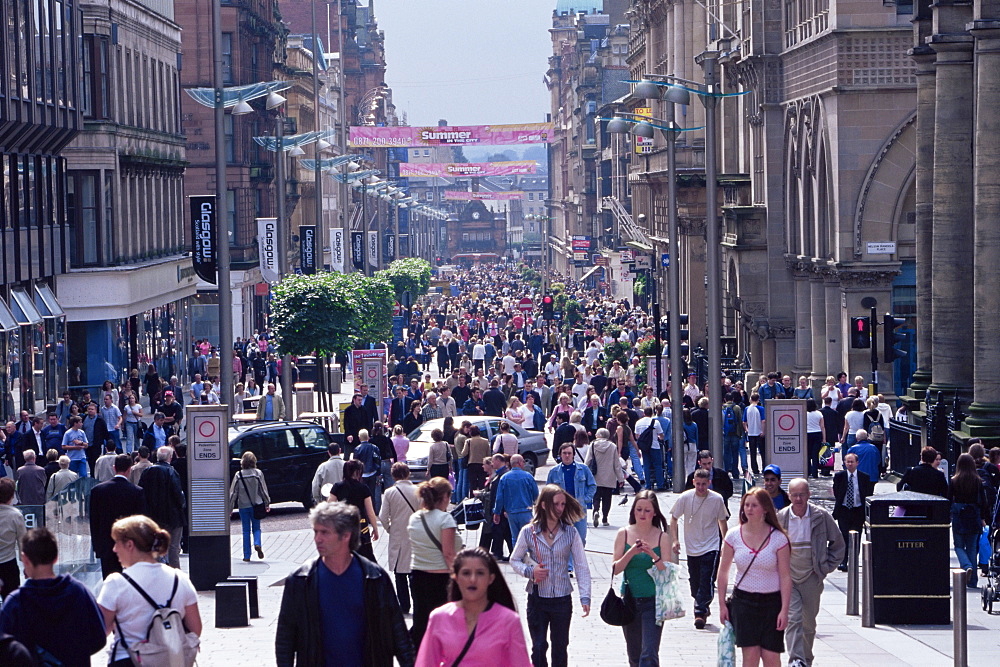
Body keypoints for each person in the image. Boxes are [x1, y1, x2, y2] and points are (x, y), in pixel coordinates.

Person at [278, 500, 414, 666]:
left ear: (346, 535)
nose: (317, 539)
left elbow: (397, 631)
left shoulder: (375, 578)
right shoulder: (301, 580)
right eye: (316, 532)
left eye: (324, 533)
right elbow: (286, 637)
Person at [96, 515, 202, 667]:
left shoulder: (116, 583)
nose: (114, 549)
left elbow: (101, 630)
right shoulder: (181, 579)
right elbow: (195, 629)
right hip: (171, 661)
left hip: (127, 660)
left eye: (117, 543)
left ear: (130, 545)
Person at [509, 484, 591, 667]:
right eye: (556, 504)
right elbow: (514, 560)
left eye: (563, 504)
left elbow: (581, 565)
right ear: (544, 505)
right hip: (537, 597)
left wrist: (585, 596)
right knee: (538, 647)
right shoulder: (528, 532)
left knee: (560, 647)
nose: (560, 509)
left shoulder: (570, 532)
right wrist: (530, 572)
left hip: (562, 599)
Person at [0, 527, 106, 665]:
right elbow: (99, 638)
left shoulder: (15, 603)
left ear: (25, 559)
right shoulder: (79, 592)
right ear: (56, 557)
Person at [415, 548, 531, 667]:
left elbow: (520, 663)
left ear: (490, 578)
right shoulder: (440, 617)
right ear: (455, 577)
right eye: (466, 573)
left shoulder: (508, 620)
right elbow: (426, 662)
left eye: (480, 573)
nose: (473, 579)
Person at [718, 488, 792, 667]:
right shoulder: (733, 535)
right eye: (746, 505)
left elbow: (785, 576)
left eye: (754, 505)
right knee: (750, 658)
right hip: (744, 602)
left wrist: (784, 609)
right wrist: (721, 605)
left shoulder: (778, 538)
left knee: (771, 658)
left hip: (771, 602)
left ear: (765, 509)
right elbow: (723, 572)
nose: (749, 509)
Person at [777, 479, 845, 667]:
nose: (798, 499)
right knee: (793, 619)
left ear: (808, 494)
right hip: (789, 577)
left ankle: (806, 659)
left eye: (802, 494)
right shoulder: (781, 517)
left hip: (812, 576)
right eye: (794, 494)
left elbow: (838, 544)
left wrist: (825, 568)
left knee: (808, 623)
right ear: (788, 495)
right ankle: (796, 660)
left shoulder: (820, 516)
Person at [611, 490, 675, 667]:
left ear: (654, 512)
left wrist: (653, 555)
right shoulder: (623, 534)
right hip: (630, 601)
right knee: (634, 655)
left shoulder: (662, 536)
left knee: (649, 653)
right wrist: (631, 552)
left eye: (647, 510)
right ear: (633, 511)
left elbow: (667, 572)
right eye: (639, 509)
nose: (642, 514)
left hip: (653, 601)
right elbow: (615, 569)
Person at [670, 468, 730, 629]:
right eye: (698, 484)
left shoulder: (716, 499)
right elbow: (674, 519)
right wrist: (675, 540)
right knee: (694, 582)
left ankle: (700, 611)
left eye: (704, 484)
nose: (701, 487)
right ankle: (702, 604)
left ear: (709, 483)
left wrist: (725, 543)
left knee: (706, 578)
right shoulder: (685, 497)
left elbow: (722, 522)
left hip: (711, 545)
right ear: (693, 483)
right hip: (692, 546)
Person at [407, 477, 463, 648]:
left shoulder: (415, 517)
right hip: (440, 578)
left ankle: (418, 657)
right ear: (445, 496)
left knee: (421, 620)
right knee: (444, 622)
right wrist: (458, 578)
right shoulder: (445, 519)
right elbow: (448, 553)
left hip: (417, 574)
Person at [90, 454, 146, 578]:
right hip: (130, 546)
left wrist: (97, 547)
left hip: (106, 544)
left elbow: (94, 521)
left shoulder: (97, 491)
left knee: (110, 581)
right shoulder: (137, 492)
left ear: (114, 468)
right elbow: (140, 522)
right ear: (129, 469)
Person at [137, 446, 187, 569]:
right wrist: (182, 505)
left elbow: (141, 492)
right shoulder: (171, 472)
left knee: (156, 546)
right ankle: (176, 574)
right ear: (170, 457)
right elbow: (178, 494)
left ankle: (157, 572)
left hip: (154, 517)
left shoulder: (147, 472)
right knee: (174, 547)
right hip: (173, 516)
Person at [380, 463, 419, 615]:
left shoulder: (390, 492)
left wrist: (390, 528)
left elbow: (383, 517)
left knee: (399, 573)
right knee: (415, 572)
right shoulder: (418, 490)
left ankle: (404, 605)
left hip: (398, 534)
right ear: (408, 473)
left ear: (393, 475)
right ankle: (418, 603)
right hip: (416, 534)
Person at [949, 453, 990, 588]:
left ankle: (966, 566)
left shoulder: (954, 480)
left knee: (959, 546)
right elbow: (983, 501)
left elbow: (949, 500)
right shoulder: (977, 481)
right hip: (973, 517)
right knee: (972, 548)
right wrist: (983, 518)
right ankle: (972, 581)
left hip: (959, 516)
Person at [546, 443, 597, 548]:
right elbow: (548, 491)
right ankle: (568, 562)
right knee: (563, 539)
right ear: (560, 455)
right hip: (561, 511)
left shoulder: (583, 469)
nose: (567, 456)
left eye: (569, 453)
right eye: (564, 453)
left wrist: (586, 499)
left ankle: (578, 559)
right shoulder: (554, 471)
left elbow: (592, 485)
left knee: (580, 538)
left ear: (573, 454)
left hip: (578, 509)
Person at [329, 460, 380, 562]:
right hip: (361, 528)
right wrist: (375, 528)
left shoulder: (337, 486)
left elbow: (329, 508)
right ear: (358, 472)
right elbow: (370, 512)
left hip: (343, 527)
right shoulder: (363, 488)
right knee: (367, 558)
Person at [832, 452, 873, 571]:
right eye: (847, 462)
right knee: (844, 536)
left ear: (857, 463)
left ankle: (854, 561)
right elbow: (837, 492)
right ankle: (843, 561)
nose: (849, 464)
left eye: (852, 462)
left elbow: (867, 494)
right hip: (844, 510)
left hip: (858, 511)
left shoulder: (864, 477)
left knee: (856, 536)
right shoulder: (839, 476)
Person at [230, 451, 270, 562]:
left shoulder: (239, 475)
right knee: (257, 528)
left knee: (245, 531)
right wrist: (267, 502)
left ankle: (246, 555)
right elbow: (263, 490)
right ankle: (257, 543)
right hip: (256, 504)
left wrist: (230, 507)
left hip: (243, 505)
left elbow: (233, 493)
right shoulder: (258, 473)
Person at [493, 454, 540, 543]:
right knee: (529, 537)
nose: (524, 463)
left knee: (515, 538)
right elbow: (536, 494)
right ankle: (528, 556)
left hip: (511, 513)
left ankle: (517, 556)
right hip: (526, 511)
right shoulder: (528, 476)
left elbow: (499, 498)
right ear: (519, 463)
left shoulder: (504, 478)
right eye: (523, 461)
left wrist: (497, 512)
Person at [586, 428, 624, 527]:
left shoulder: (593, 445)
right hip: (609, 476)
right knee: (607, 498)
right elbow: (617, 464)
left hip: (596, 476)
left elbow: (588, 460)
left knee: (596, 496)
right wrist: (620, 479)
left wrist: (584, 474)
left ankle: (596, 510)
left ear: (598, 435)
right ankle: (605, 518)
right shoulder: (612, 446)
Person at [0, 478, 26, 597]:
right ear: (11, 496)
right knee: (11, 601)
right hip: (8, 564)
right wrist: (26, 565)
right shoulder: (15, 515)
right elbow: (22, 542)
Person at [743, 393, 766, 474]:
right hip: (759, 432)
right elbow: (763, 421)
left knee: (753, 453)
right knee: (763, 452)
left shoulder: (747, 409)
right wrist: (763, 431)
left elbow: (744, 422)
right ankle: (764, 468)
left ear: (750, 399)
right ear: (758, 399)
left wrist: (747, 430)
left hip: (751, 433)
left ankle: (755, 469)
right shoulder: (761, 408)